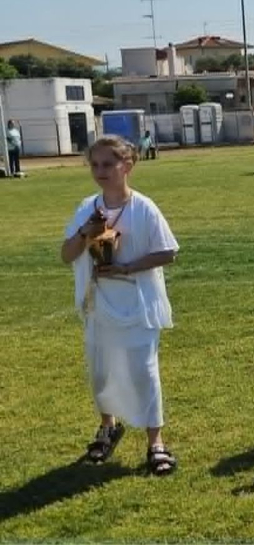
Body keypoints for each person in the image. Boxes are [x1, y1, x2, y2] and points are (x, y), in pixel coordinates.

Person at [60, 136, 180, 476]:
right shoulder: (87, 207)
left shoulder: (143, 207)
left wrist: (127, 267)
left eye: (108, 164)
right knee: (101, 373)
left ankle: (155, 442)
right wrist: (85, 232)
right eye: (95, 164)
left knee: (143, 372)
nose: (100, 171)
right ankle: (108, 427)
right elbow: (66, 255)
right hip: (98, 304)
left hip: (138, 305)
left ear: (127, 166)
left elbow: (168, 252)